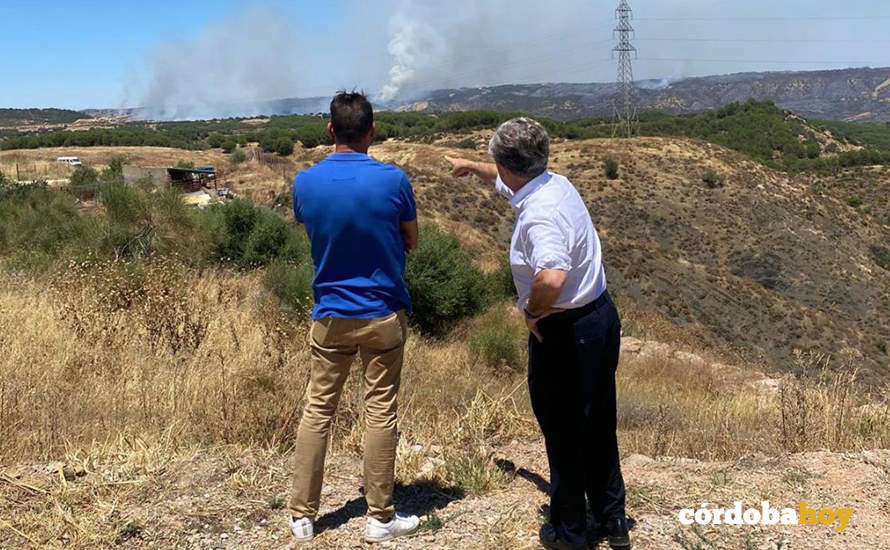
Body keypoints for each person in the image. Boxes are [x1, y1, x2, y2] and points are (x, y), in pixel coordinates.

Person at [446, 118, 631, 550]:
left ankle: (570, 532)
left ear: (508, 165)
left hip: (567, 331)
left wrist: (531, 310)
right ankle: (613, 520)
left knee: (563, 429)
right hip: (600, 317)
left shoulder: (539, 217)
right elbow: (509, 177)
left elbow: (551, 276)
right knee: (599, 421)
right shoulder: (553, 182)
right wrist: (473, 166)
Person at [289, 91, 420, 544]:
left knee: (318, 409)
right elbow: (412, 240)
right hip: (383, 312)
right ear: (372, 131)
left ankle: (302, 516)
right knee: (380, 411)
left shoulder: (304, 184)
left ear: (330, 130)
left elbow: (316, 233)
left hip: (329, 314)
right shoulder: (393, 181)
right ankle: (380, 518)